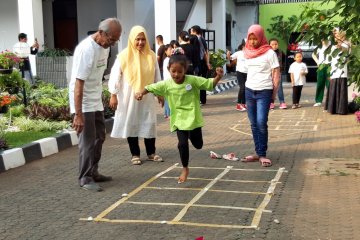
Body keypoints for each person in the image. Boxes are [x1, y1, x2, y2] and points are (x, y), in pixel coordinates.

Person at [134, 51, 224, 183]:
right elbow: (150, 87)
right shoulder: (167, 84)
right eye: (173, 71)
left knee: (198, 145)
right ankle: (185, 168)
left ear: (185, 70)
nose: (176, 74)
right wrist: (140, 93)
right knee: (182, 144)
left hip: (193, 119)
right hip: (178, 120)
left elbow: (209, 84)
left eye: (179, 71)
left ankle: (192, 137)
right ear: (168, 70)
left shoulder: (192, 80)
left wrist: (218, 77)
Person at [69, 18, 122, 192]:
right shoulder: (86, 50)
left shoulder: (104, 48)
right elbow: (78, 85)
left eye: (116, 40)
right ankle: (85, 178)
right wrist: (78, 114)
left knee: (100, 136)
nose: (113, 44)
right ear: (101, 32)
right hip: (83, 102)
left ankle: (93, 171)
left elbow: (98, 77)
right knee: (87, 141)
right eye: (112, 39)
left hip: (95, 99)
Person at [108, 25, 164, 166]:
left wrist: (159, 94)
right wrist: (113, 94)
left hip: (147, 97)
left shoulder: (151, 55)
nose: (140, 42)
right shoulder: (123, 56)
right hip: (129, 97)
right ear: (132, 39)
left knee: (149, 123)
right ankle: (135, 154)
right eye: (137, 39)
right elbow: (115, 76)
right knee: (132, 123)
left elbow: (157, 76)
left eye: (143, 39)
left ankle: (151, 153)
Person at [240, 24, 280, 167]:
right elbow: (245, 72)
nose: (252, 42)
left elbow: (276, 74)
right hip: (249, 91)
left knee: (261, 122)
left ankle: (262, 154)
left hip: (264, 91)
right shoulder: (246, 52)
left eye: (255, 39)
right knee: (253, 124)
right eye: (250, 39)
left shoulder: (270, 53)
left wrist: (273, 94)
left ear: (261, 37)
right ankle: (257, 152)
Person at [324, 30, 349, 115]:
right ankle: (333, 108)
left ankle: (341, 109)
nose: (336, 36)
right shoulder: (333, 46)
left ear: (342, 36)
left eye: (337, 35)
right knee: (333, 87)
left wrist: (340, 46)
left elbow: (346, 51)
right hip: (334, 71)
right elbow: (331, 60)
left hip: (341, 71)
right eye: (335, 35)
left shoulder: (346, 44)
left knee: (341, 88)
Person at [190, 25, 211, 105]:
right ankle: (202, 99)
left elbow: (205, 52)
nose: (190, 33)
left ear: (195, 31)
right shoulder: (200, 38)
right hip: (201, 62)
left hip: (201, 62)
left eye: (191, 31)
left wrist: (207, 63)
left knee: (200, 80)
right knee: (201, 80)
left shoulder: (199, 39)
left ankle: (201, 99)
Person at [226, 39, 247, 111]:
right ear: (243, 45)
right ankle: (239, 104)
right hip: (240, 72)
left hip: (248, 72)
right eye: (246, 45)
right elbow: (230, 58)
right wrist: (228, 55)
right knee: (242, 87)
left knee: (246, 88)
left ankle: (244, 104)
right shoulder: (239, 53)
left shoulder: (250, 53)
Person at [269, 38, 287, 110]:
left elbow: (284, 62)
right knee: (270, 87)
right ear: (269, 45)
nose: (274, 46)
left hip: (278, 72)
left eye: (276, 44)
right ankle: (271, 102)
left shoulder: (281, 52)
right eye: (272, 44)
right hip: (269, 72)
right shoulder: (267, 53)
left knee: (279, 87)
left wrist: (282, 69)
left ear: (278, 44)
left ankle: (282, 102)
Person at [312, 39, 331, 107]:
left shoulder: (331, 46)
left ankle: (330, 100)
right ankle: (318, 100)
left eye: (325, 39)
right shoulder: (319, 47)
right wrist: (317, 62)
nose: (323, 40)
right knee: (320, 83)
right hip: (321, 66)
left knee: (329, 84)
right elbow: (313, 54)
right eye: (322, 39)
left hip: (329, 66)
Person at [162, 44, 173, 119]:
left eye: (172, 49)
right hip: (168, 81)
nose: (172, 50)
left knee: (167, 98)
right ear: (166, 51)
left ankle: (166, 113)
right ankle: (169, 114)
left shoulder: (168, 59)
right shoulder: (167, 60)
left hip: (167, 81)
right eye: (170, 49)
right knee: (169, 98)